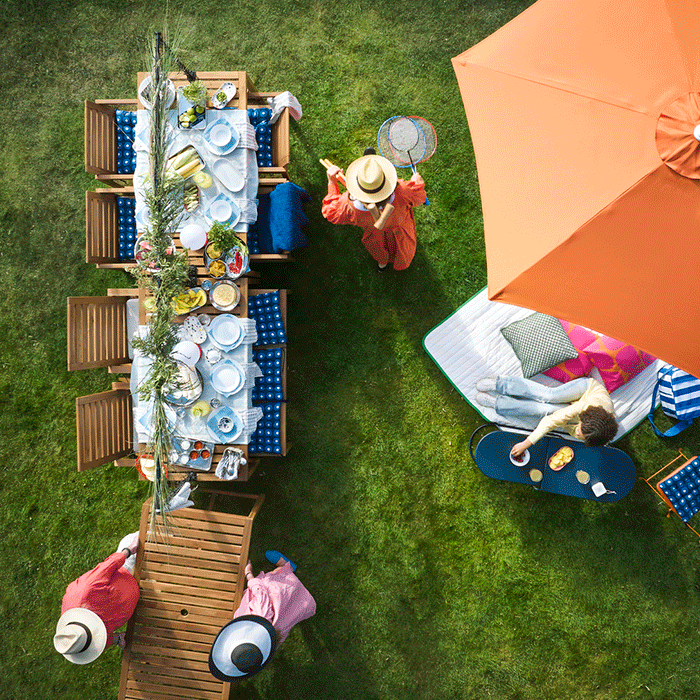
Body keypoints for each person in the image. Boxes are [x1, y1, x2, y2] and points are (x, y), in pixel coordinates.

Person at [208, 550, 316, 682]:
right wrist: (249, 575)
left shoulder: (266, 648)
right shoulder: (260, 614)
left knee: (289, 610)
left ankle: (295, 590)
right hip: (276, 596)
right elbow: (261, 595)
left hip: (280, 619)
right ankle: (285, 567)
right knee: (269, 582)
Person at [321, 149, 426, 272]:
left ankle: (382, 265)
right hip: (400, 232)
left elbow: (330, 212)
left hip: (375, 235)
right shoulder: (403, 192)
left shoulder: (349, 206)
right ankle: (399, 261)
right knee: (403, 250)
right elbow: (420, 197)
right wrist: (416, 181)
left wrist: (332, 183)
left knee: (379, 251)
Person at [476, 376, 618, 457]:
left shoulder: (598, 435)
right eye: (580, 431)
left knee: (545, 410)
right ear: (585, 419)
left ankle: (498, 404)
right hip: (586, 390)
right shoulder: (590, 406)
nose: (578, 434)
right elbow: (552, 421)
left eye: (582, 437)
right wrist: (527, 443)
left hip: (581, 413)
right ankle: (500, 384)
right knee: (549, 396)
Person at [53, 534, 141, 664]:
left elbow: (107, 567)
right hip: (141, 596)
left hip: (129, 568)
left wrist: (128, 550)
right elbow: (104, 640)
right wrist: (117, 639)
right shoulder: (85, 641)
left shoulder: (84, 592)